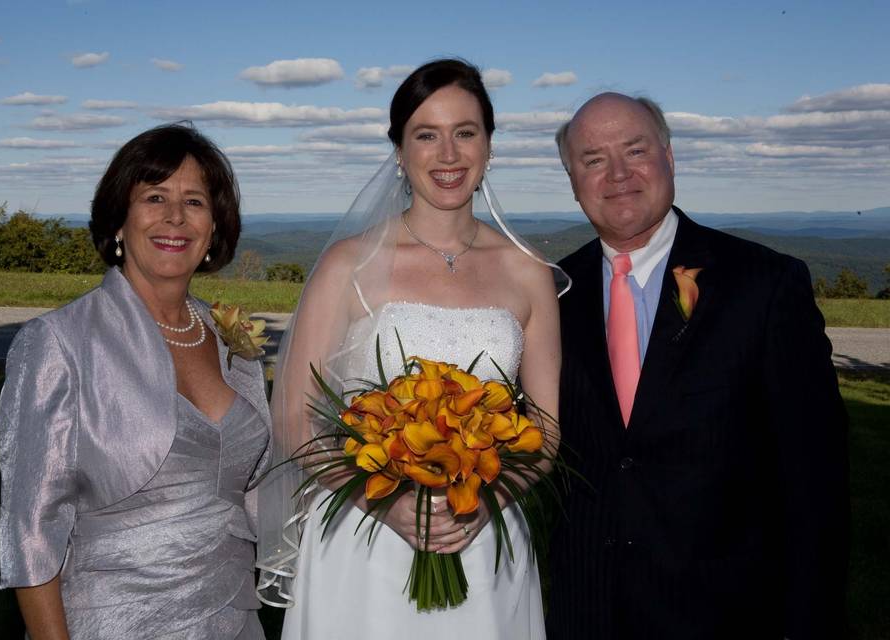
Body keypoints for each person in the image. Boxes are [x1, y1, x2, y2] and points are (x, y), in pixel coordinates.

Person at [256, 59, 563, 640]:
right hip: (363, 537)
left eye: (465, 132)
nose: (448, 154)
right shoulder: (349, 263)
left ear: (489, 146)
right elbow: (296, 418)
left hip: (486, 537)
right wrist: (384, 506)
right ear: (399, 150)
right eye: (427, 135)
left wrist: (487, 496)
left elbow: (544, 431)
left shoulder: (528, 275)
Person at [546, 92, 849, 639]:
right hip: (583, 611)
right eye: (593, 159)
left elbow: (816, 478)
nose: (617, 173)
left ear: (669, 156)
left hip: (724, 614)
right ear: (572, 178)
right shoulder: (549, 294)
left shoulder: (763, 284)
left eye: (635, 150)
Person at [0, 123, 272, 639]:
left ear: (214, 228)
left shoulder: (232, 340)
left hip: (235, 617)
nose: (174, 216)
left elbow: (263, 488)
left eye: (194, 201)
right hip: (116, 622)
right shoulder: (58, 342)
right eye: (154, 196)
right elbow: (30, 528)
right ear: (119, 220)